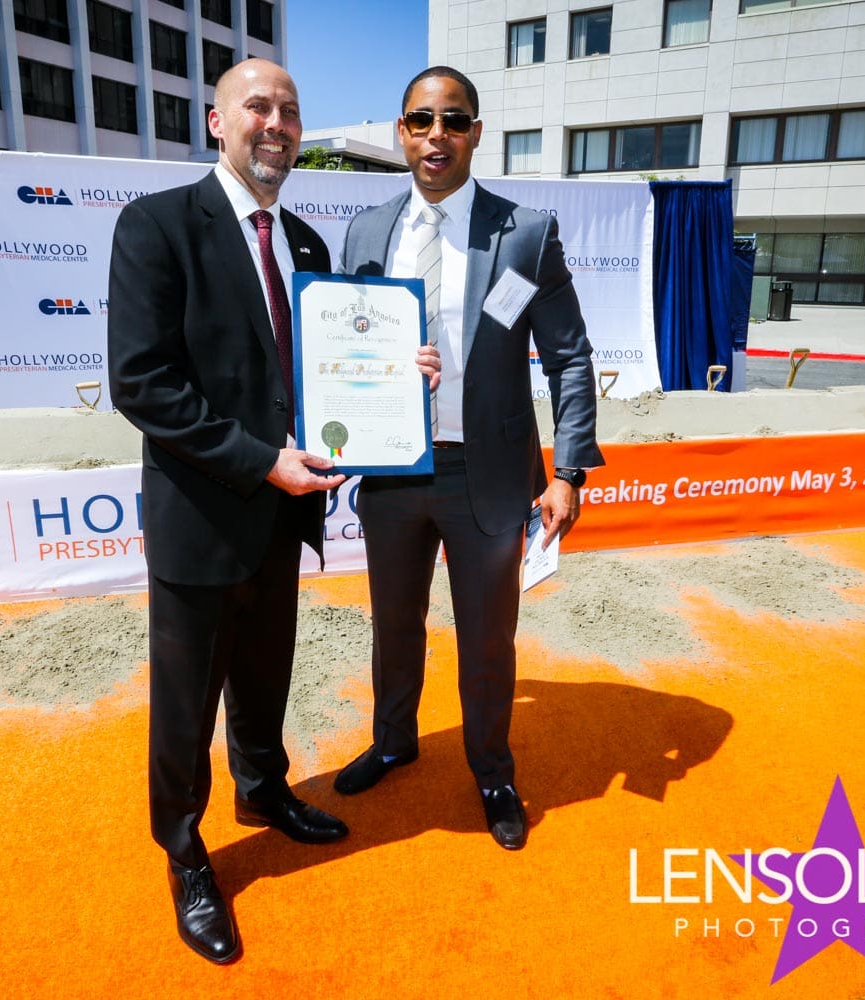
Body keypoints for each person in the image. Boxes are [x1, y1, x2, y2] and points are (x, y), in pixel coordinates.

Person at [106, 58, 350, 964]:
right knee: (185, 703)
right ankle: (184, 850)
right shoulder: (159, 225)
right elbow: (142, 383)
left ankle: (263, 790)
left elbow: (329, 375)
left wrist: (396, 381)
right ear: (218, 122)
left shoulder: (310, 247)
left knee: (266, 673)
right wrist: (262, 464)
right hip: (202, 518)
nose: (277, 122)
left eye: (290, 108)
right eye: (259, 105)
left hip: (283, 520)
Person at [333, 66, 605, 850]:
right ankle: (393, 739)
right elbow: (343, 358)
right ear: (402, 131)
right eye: (421, 120)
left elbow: (571, 359)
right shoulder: (367, 234)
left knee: (488, 635)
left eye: (454, 121)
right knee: (394, 624)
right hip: (390, 473)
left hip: (485, 474)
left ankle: (491, 768)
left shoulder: (524, 233)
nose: (436, 136)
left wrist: (569, 471)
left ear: (476, 133)